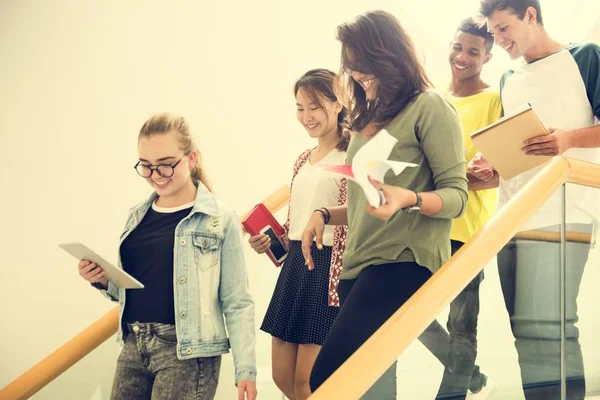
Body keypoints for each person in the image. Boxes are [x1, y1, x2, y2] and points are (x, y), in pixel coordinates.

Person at [302, 11, 468, 399]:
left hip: (401, 262)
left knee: (328, 377)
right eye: (352, 66)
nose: (358, 74)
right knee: (373, 388)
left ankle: (464, 368)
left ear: (390, 54)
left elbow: (457, 196)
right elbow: (366, 203)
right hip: (358, 265)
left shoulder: (431, 107)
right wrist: (324, 214)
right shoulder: (368, 119)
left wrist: (408, 198)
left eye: (364, 63)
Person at [77, 113, 257, 400]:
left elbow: (237, 301)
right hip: (134, 344)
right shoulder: (136, 217)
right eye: (146, 167)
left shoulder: (219, 218)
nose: (155, 176)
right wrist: (102, 281)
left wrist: (245, 369)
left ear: (191, 158)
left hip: (186, 352)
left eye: (165, 165)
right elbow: (135, 291)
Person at [474, 1, 600, 398]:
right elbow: (520, 153)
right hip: (512, 214)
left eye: (504, 28)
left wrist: (568, 139)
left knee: (551, 326)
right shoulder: (508, 78)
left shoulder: (585, 57)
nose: (499, 40)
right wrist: (492, 165)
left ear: (531, 14)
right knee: (524, 332)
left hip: (566, 206)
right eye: (493, 32)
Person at [248, 69, 349, 400]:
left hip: (327, 268)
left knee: (309, 380)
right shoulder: (303, 160)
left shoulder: (351, 157)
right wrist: (267, 242)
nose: (306, 116)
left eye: (315, 106)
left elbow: (361, 216)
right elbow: (297, 222)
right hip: (295, 264)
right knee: (281, 377)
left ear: (338, 104)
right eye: (300, 107)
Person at [418, 17, 501, 400]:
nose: (462, 57)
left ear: (488, 55)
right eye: (457, 47)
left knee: (462, 322)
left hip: (469, 230)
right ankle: (469, 373)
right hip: (425, 225)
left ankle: (451, 394)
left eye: (473, 51)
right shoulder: (432, 98)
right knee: (407, 312)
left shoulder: (494, 100)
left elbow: (503, 172)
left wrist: (456, 178)